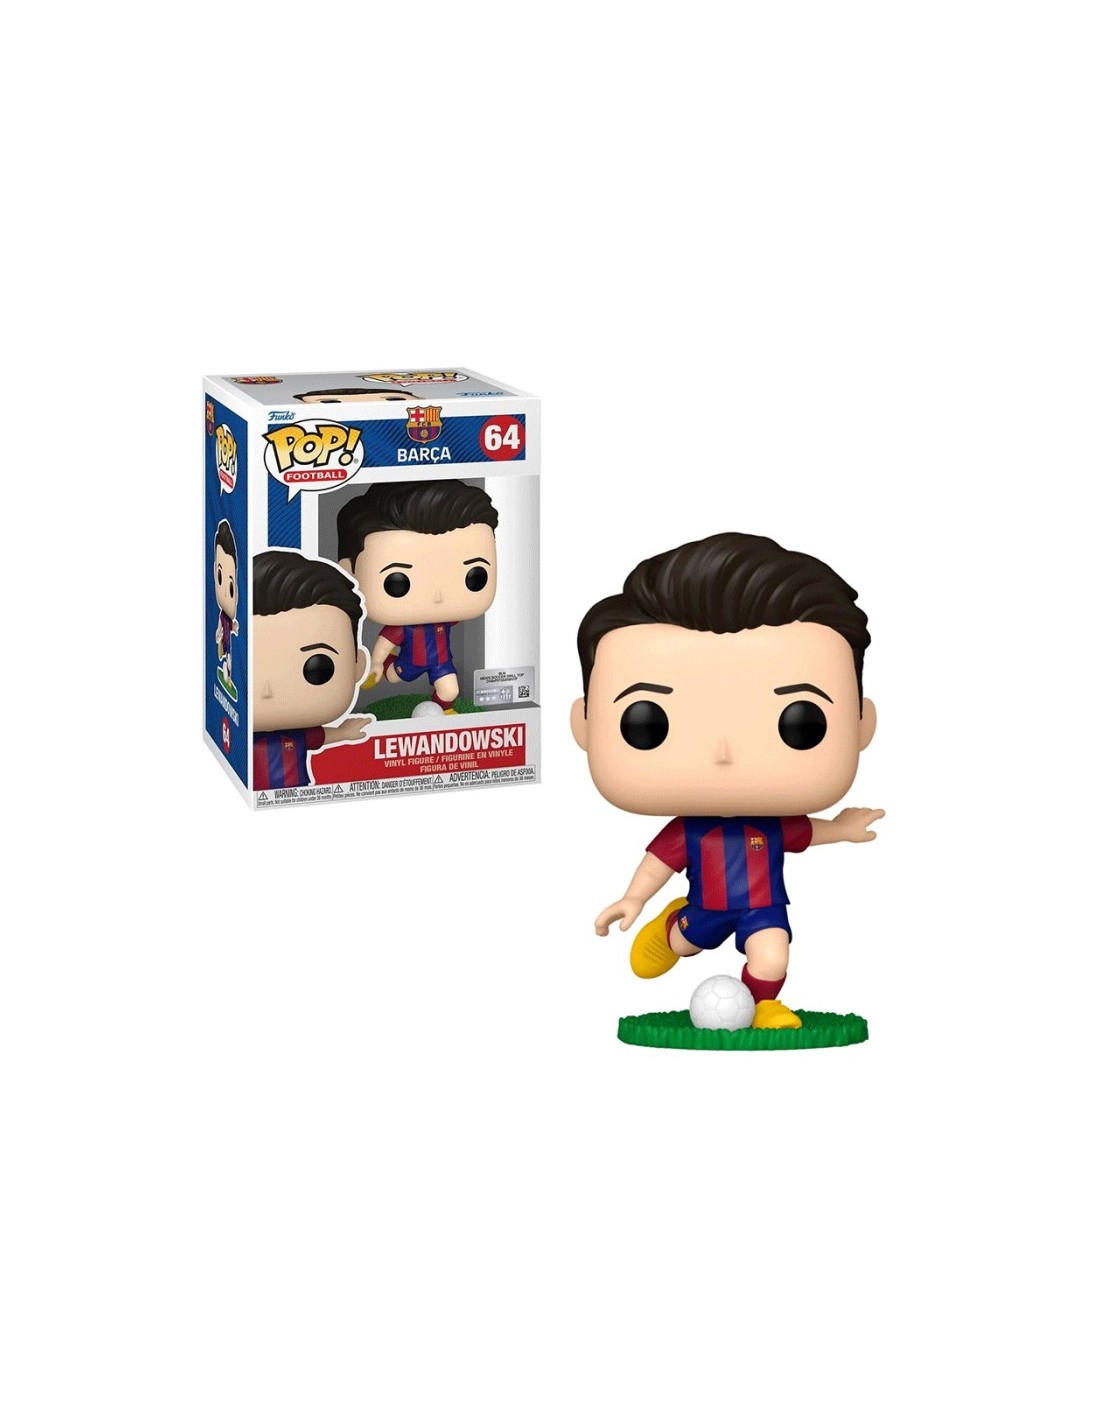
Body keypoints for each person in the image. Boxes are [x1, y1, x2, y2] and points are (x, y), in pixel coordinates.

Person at [572, 532, 883, 1030]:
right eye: (647, 722)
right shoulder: (690, 830)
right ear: (584, 726)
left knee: (773, 957)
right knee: (684, 944)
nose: (723, 753)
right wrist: (635, 898)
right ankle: (672, 927)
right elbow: (658, 862)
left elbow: (806, 832)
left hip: (764, 909)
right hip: (705, 907)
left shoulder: (773, 823)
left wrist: (842, 830)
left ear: (860, 723)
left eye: (800, 723)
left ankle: (764, 1005)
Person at [337, 481, 499, 715]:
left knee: (450, 690)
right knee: (393, 677)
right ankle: (389, 665)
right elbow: (385, 641)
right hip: (409, 662)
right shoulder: (404, 627)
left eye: (474, 576)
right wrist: (377, 662)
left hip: (442, 663)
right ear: (349, 572)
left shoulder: (446, 618)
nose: (438, 596)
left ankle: (444, 710)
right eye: (397, 582)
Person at [252, 550, 375, 791]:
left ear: (357, 666)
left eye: (317, 668)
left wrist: (344, 733)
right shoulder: (246, 737)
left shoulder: (297, 735)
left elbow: (320, 737)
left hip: (300, 792)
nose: (268, 690)